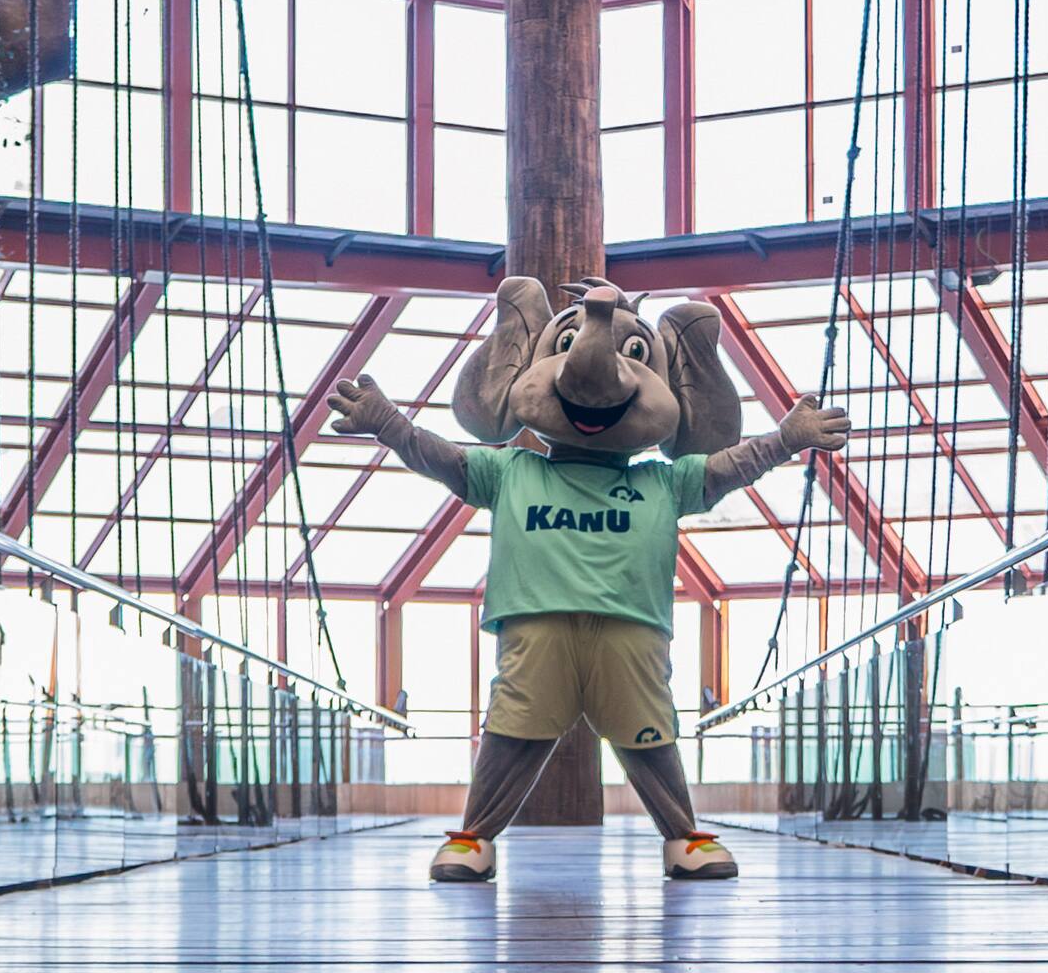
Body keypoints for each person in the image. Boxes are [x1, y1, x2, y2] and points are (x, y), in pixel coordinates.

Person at [328, 276, 849, 882]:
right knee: (510, 736)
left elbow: (731, 467)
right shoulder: (510, 469)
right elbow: (437, 455)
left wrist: (786, 439)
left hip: (629, 633)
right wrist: (388, 422)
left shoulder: (665, 479)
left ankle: (684, 835)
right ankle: (474, 837)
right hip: (536, 627)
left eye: (635, 354)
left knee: (650, 739)